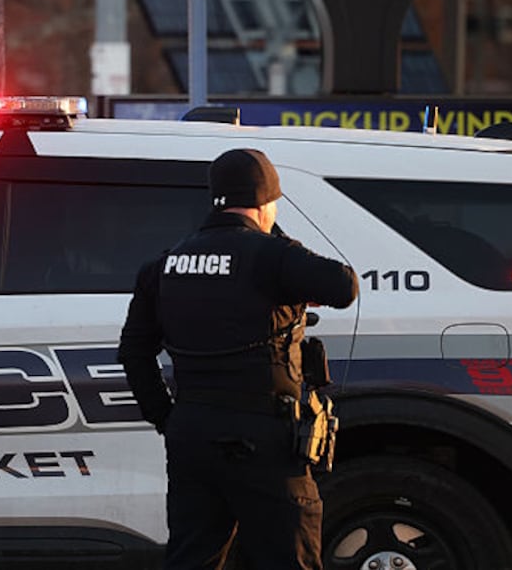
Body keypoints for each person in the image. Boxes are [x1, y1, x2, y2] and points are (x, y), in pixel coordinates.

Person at [117, 148, 360, 570]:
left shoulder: (163, 264)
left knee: (193, 559)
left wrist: (168, 419)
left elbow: (134, 353)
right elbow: (344, 286)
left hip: (192, 434)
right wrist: (281, 248)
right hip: (264, 440)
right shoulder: (272, 255)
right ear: (266, 202)